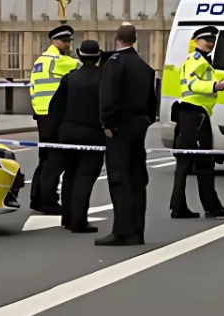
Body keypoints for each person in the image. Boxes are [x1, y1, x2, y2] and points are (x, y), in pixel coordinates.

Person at [96, 23, 157, 246]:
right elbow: (153, 100)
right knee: (137, 179)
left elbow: (108, 96)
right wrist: (148, 120)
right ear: (135, 39)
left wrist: (106, 123)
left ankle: (121, 231)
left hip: (120, 126)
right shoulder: (144, 66)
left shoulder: (114, 64)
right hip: (139, 124)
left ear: (116, 38)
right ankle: (137, 230)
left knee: (119, 178)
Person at [169, 26, 224, 220]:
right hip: (194, 112)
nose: (210, 42)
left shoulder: (204, 61)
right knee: (203, 160)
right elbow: (192, 83)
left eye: (213, 39)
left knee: (187, 160)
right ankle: (210, 206)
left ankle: (180, 206)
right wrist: (214, 86)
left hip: (193, 113)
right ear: (196, 40)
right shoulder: (195, 60)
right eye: (206, 38)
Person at [44, 39, 107, 233]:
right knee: (85, 177)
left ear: (79, 56)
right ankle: (79, 220)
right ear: (98, 57)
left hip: (68, 133)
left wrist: (54, 134)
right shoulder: (103, 79)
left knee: (70, 175)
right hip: (93, 134)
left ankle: (67, 218)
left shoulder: (69, 78)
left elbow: (55, 107)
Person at [28, 23, 80, 214]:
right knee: (55, 161)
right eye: (66, 41)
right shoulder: (59, 61)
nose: (68, 45)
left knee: (45, 159)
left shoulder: (40, 60)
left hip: (42, 115)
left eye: (69, 41)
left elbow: (33, 87)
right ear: (55, 41)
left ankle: (37, 198)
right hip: (55, 116)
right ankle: (49, 201)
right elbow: (86, 65)